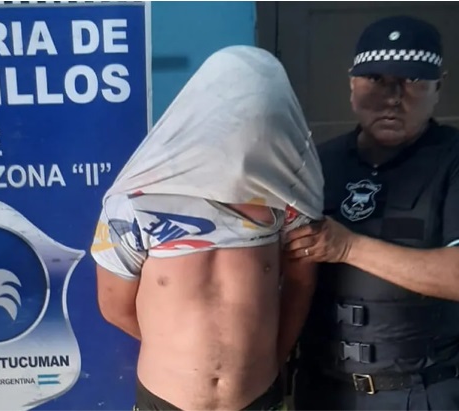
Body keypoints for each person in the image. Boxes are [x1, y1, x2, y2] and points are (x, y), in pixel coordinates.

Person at [89, 45, 324, 411]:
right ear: (201, 115)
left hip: (259, 398)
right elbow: (114, 307)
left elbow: (301, 284)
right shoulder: (135, 204)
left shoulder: (289, 205)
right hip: (165, 401)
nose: (244, 130)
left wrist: (268, 361)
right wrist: (179, 358)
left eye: (258, 119)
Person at [285, 15, 459, 410]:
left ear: (438, 87)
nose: (393, 97)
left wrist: (348, 247)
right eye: (376, 79)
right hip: (321, 390)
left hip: (417, 392)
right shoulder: (319, 163)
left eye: (412, 80)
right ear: (352, 85)